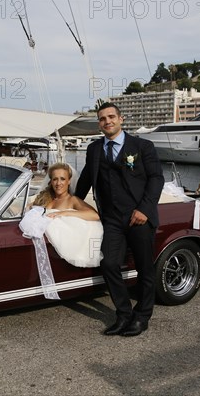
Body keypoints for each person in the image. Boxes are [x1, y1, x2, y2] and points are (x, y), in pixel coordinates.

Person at [75, 102, 164, 337]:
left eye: (111, 117)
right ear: (99, 123)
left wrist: (144, 209)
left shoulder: (143, 146)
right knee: (109, 264)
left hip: (139, 218)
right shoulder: (94, 149)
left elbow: (156, 179)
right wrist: (70, 203)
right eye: (103, 118)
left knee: (145, 269)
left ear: (121, 119)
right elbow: (85, 179)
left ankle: (142, 317)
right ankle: (124, 314)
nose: (108, 121)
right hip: (112, 219)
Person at [30, 162, 103, 268]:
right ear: (51, 181)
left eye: (62, 179)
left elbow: (94, 215)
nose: (58, 183)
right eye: (55, 179)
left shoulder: (72, 200)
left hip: (57, 254)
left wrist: (64, 213)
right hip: (40, 246)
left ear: (69, 181)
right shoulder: (46, 199)